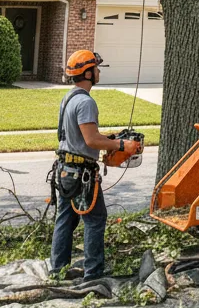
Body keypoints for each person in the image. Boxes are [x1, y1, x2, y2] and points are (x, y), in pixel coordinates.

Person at [49, 50, 141, 281]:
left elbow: (81, 136)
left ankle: (57, 270)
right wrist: (122, 144)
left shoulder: (69, 97)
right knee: (95, 220)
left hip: (66, 169)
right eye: (96, 68)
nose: (99, 71)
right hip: (82, 174)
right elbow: (90, 140)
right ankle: (93, 274)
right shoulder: (86, 102)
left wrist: (109, 139)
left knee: (65, 219)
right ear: (88, 73)